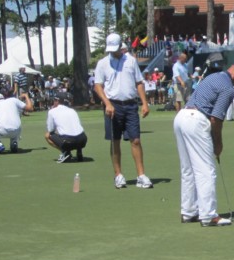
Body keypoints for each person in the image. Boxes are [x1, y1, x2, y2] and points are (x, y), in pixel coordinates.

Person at [174, 60, 234, 227]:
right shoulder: (228, 88)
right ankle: (209, 215)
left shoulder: (213, 76)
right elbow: (216, 119)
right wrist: (218, 144)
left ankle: (188, 212)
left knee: (188, 169)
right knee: (206, 170)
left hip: (181, 117)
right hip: (196, 120)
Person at [93, 33, 153, 189]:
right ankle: (118, 175)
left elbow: (139, 83)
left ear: (121, 46)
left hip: (131, 105)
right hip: (112, 105)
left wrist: (144, 103)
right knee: (115, 141)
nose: (113, 51)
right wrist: (107, 103)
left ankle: (141, 175)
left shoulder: (131, 61)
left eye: (115, 48)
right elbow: (98, 86)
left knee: (136, 140)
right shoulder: (102, 63)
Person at [45, 92, 88, 162]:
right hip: (83, 140)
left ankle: (66, 152)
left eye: (54, 100)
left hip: (68, 142)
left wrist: (57, 130)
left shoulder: (51, 111)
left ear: (57, 101)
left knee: (47, 135)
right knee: (77, 132)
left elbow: (50, 129)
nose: (53, 102)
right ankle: (79, 152)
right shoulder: (72, 110)